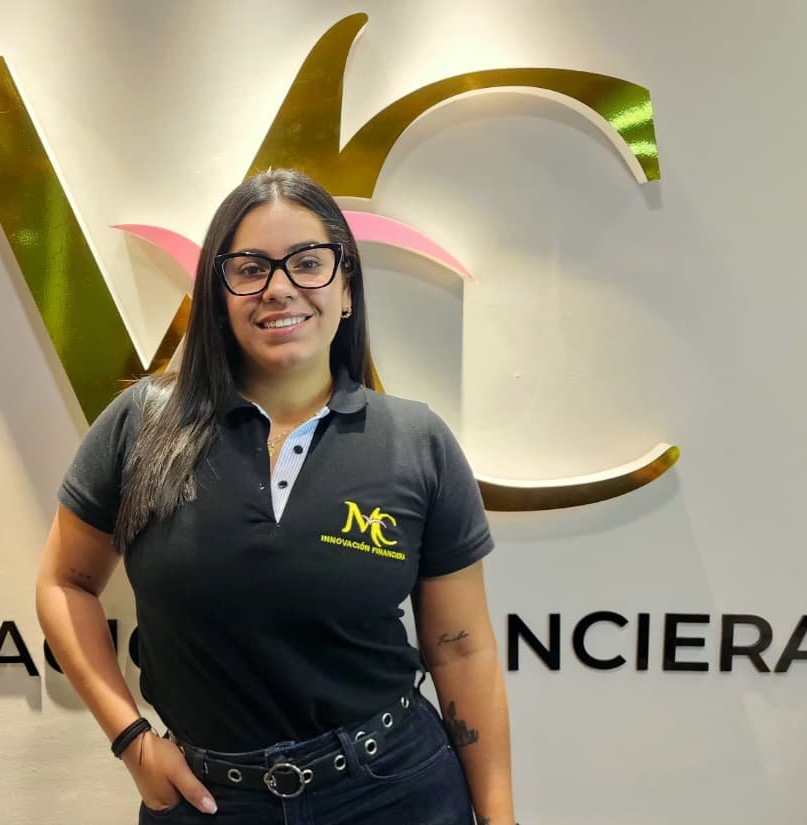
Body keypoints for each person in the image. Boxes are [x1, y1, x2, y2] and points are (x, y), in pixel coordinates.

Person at [35, 168, 515, 824]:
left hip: (391, 790)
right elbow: (65, 582)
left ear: (346, 290)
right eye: (251, 267)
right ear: (218, 294)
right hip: (207, 800)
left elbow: (462, 647)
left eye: (308, 263)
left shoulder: (416, 441)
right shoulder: (141, 424)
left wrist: (500, 817)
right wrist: (131, 739)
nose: (279, 286)